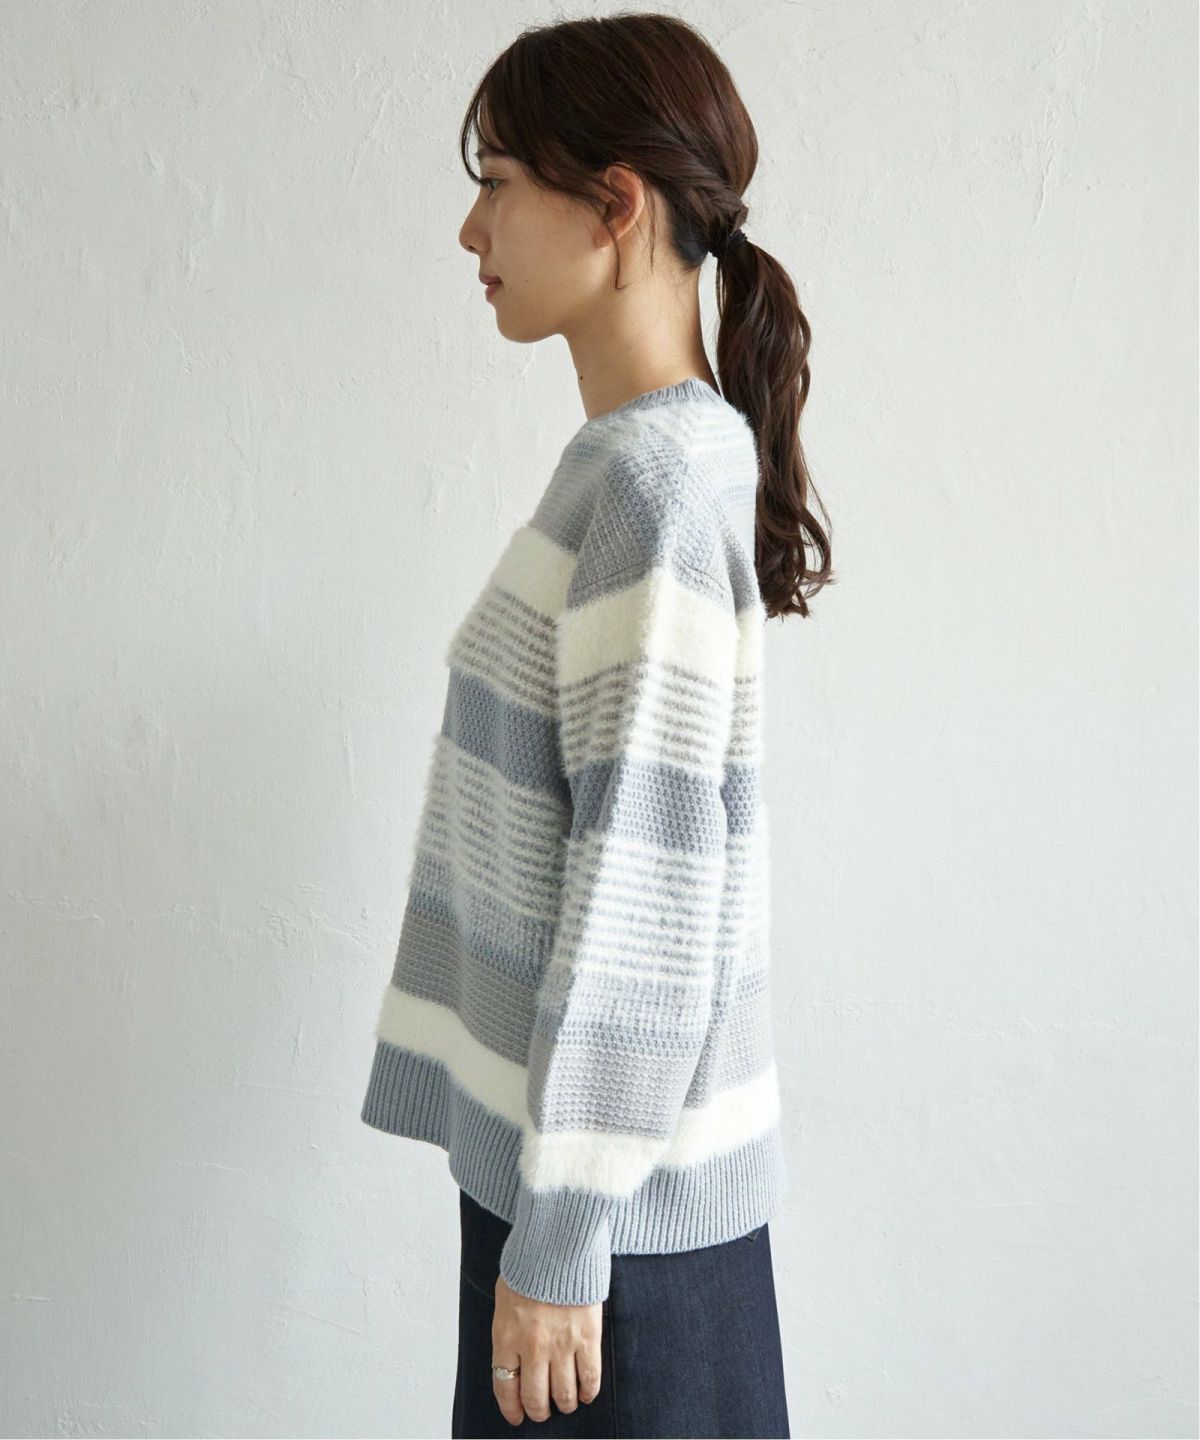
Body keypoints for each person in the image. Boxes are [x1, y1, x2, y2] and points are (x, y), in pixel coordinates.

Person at [360, 13, 834, 1437]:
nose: (471, 228)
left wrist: (560, 1243)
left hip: (615, 1243)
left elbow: (646, 899)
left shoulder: (654, 487)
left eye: (499, 182)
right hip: (596, 1208)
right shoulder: (642, 466)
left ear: (615, 204)